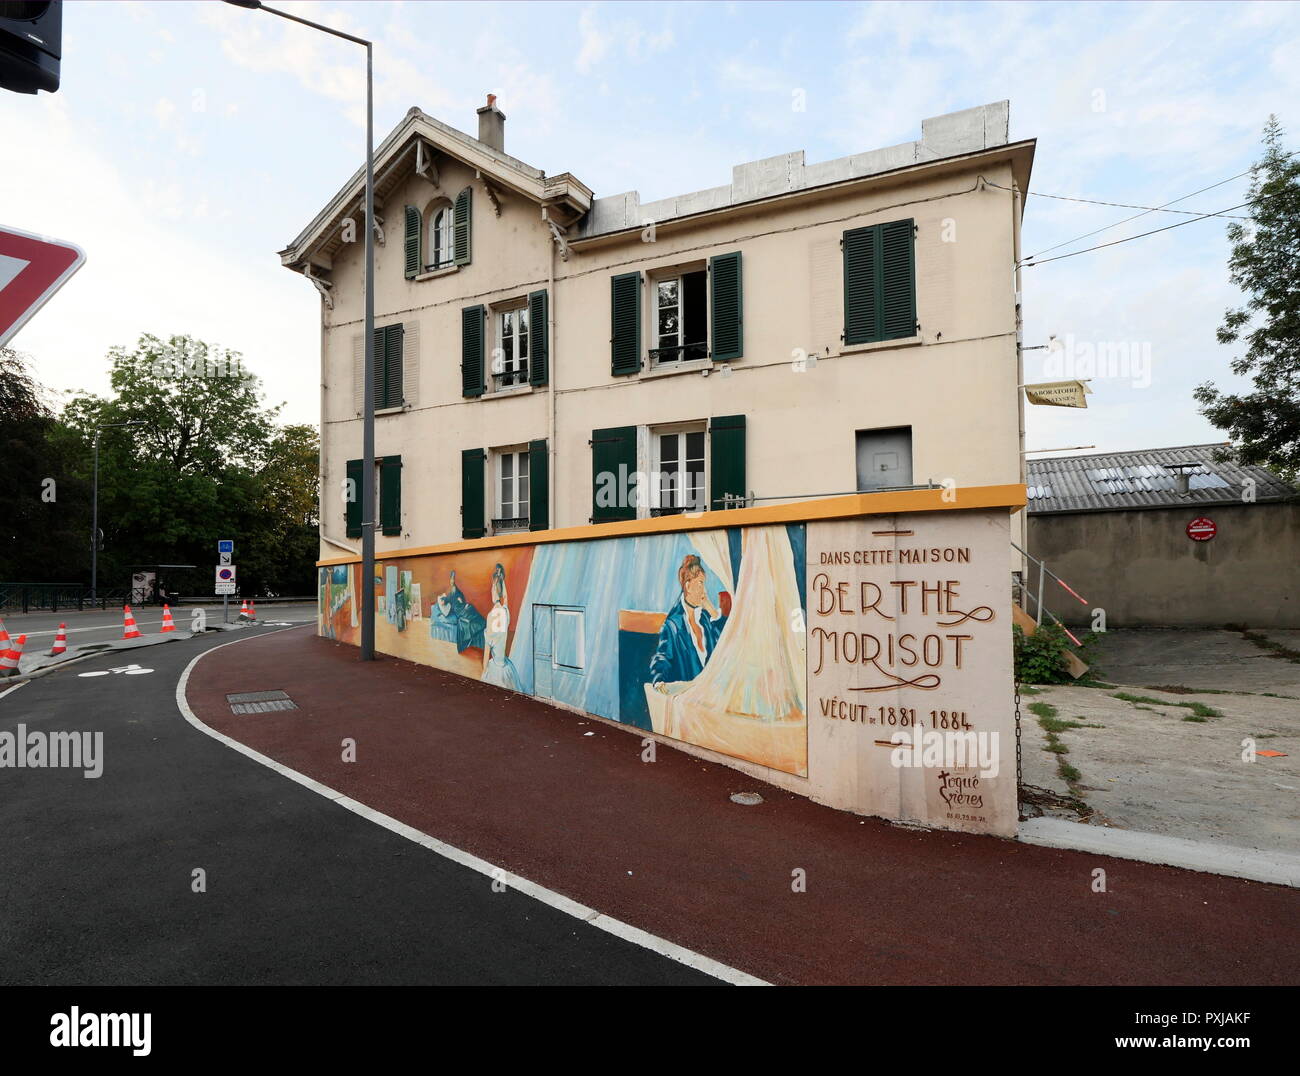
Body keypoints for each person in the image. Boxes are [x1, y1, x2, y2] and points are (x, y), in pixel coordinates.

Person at [650, 554, 729, 691]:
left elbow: (725, 647)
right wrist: (659, 681)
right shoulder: (673, 625)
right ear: (688, 586)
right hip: (687, 698)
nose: (705, 590)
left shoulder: (705, 619)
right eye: (700, 583)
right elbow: (662, 658)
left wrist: (712, 610)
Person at [481, 563, 521, 690]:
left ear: (494, 593)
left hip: (494, 669)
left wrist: (484, 672)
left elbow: (487, 653)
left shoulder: (490, 616)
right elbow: (506, 597)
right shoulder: (506, 612)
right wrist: (501, 581)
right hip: (505, 666)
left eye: (492, 589)